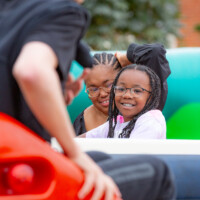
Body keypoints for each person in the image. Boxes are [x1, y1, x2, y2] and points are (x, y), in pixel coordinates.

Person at [0, 1, 175, 199]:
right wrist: (74, 153)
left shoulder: (10, 9)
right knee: (157, 173)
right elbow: (31, 71)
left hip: (13, 157)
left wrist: (56, 95)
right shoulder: (62, 10)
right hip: (22, 173)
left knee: (99, 158)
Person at [74, 44, 170, 136]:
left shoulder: (141, 109)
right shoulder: (82, 121)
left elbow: (154, 51)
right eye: (93, 89)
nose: (102, 94)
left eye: (109, 85)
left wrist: (125, 59)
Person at [79, 64, 166, 139]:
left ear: (151, 96)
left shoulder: (150, 121)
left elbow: (132, 155)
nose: (127, 95)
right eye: (121, 89)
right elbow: (85, 139)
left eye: (137, 91)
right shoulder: (117, 122)